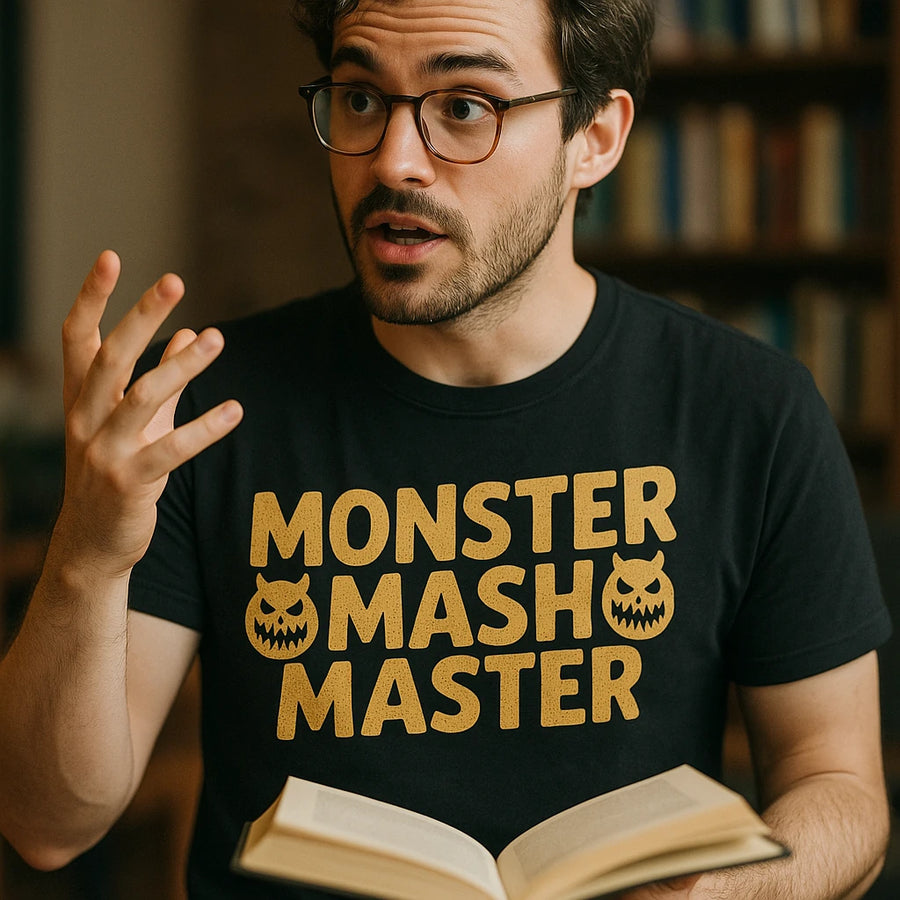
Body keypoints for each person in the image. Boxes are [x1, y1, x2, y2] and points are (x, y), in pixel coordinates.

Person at [0, 0, 892, 897]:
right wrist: (87, 552)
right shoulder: (200, 410)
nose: (392, 160)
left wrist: (731, 896)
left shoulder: (749, 410)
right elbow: (47, 826)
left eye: (464, 105)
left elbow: (841, 786)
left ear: (597, 137)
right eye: (359, 99)